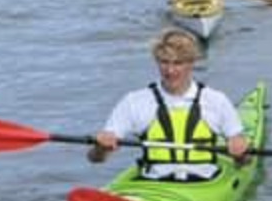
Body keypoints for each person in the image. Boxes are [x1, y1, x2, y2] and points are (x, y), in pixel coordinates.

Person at [87, 29, 250, 181]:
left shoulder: (216, 101)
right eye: (164, 62)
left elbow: (245, 162)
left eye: (178, 63)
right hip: (154, 184)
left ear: (192, 63)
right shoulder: (134, 101)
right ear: (157, 61)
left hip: (206, 183)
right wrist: (101, 148)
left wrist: (240, 154)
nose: (170, 71)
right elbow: (95, 159)